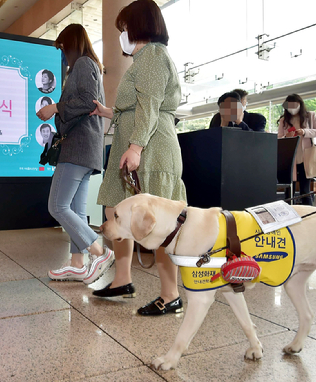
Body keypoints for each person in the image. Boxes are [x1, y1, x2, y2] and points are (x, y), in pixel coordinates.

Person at [90, 0, 187, 316]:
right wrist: (109, 112)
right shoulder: (145, 59)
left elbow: (149, 107)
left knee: (158, 223)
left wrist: (136, 147)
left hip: (150, 148)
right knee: (116, 212)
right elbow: (138, 106)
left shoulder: (153, 56)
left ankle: (171, 294)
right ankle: (122, 279)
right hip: (138, 145)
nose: (122, 35)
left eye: (124, 28)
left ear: (139, 26)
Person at [35, 24, 114, 283]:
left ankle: (98, 253)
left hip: (78, 146)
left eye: (62, 48)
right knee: (77, 213)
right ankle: (78, 264)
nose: (61, 55)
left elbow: (88, 102)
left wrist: (56, 107)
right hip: (87, 147)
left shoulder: (82, 64)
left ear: (70, 44)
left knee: (57, 205)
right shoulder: (90, 65)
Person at [277, 94, 316, 206]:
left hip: (307, 158)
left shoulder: (310, 116)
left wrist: (305, 132)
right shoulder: (283, 120)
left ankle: (309, 216)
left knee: (305, 190)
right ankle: (288, 217)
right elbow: (279, 139)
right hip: (290, 159)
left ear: (300, 105)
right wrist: (287, 137)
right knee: (289, 192)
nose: (292, 109)